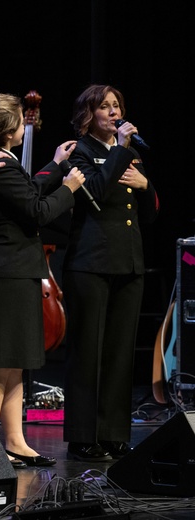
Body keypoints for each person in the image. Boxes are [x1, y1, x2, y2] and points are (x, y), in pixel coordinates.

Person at [0, 94, 84, 468]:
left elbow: (29, 191)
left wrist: (56, 164)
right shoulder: (0, 167)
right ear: (11, 129)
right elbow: (37, 211)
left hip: (17, 271)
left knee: (15, 363)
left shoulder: (7, 165)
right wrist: (70, 186)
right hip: (3, 273)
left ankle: (15, 441)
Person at [62, 85, 158, 462]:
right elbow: (96, 193)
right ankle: (83, 436)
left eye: (117, 105)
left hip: (128, 262)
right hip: (91, 263)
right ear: (89, 114)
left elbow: (149, 213)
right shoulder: (78, 151)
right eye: (105, 106)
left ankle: (115, 433)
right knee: (88, 351)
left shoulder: (128, 154)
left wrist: (146, 183)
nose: (114, 112)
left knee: (119, 352)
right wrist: (120, 149)